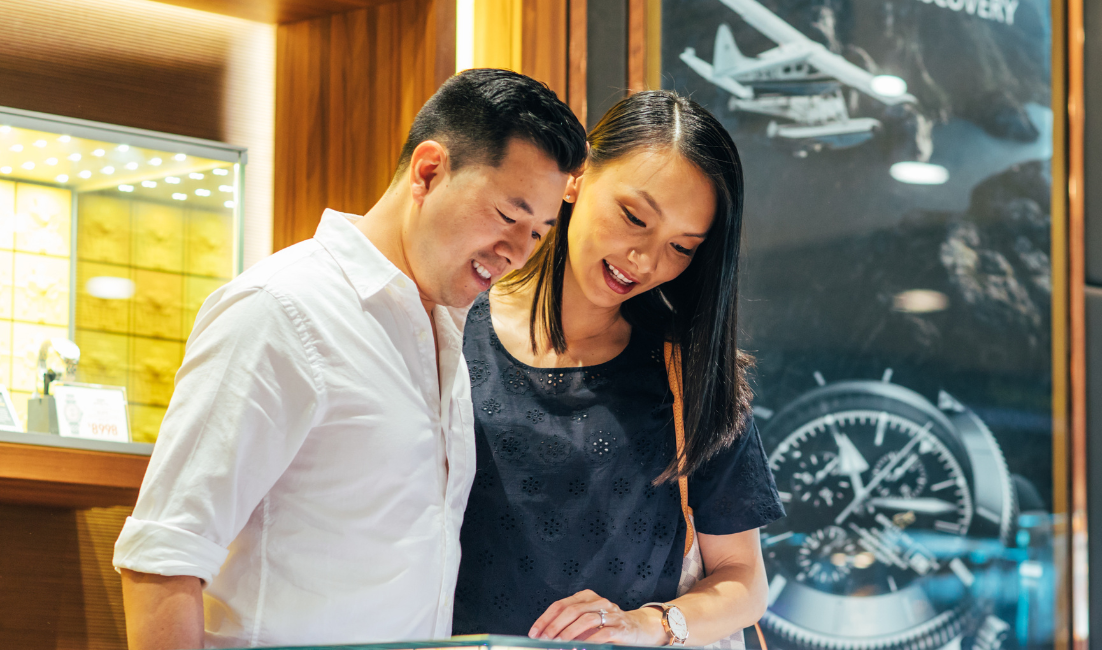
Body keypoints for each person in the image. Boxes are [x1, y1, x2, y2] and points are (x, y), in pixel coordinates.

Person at [112, 69, 587, 649]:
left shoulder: (447, 331)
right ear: (428, 172)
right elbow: (165, 556)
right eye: (508, 217)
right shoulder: (280, 308)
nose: (516, 253)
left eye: (537, 234)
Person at [451, 90, 785, 646]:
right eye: (634, 217)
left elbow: (744, 579)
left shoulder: (689, 373)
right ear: (578, 176)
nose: (646, 260)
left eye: (681, 247)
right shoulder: (451, 329)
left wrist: (648, 624)